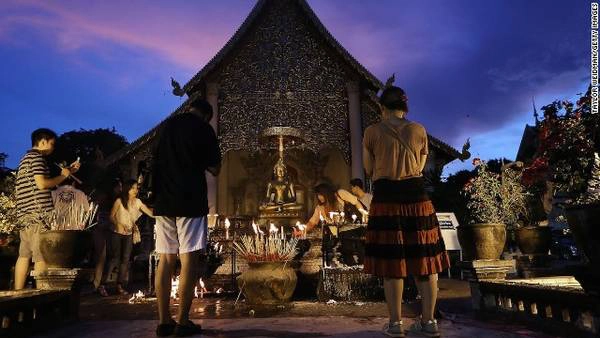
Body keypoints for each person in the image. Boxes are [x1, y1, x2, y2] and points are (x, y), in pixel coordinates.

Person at [363, 86, 449, 338]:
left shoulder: (372, 132)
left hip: (386, 200)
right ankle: (429, 322)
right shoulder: (418, 130)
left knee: (393, 265)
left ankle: (395, 324)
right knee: (425, 263)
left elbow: (369, 169)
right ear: (405, 106)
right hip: (416, 199)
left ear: (382, 107)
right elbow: (421, 166)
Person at [152, 97, 221, 337]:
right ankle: (182, 320)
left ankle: (163, 321)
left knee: (166, 258)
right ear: (206, 115)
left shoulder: (167, 126)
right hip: (190, 200)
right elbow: (215, 168)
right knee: (189, 257)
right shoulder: (204, 129)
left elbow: (153, 161)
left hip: (163, 201)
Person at [14, 128, 80, 289]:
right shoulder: (37, 158)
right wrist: (64, 176)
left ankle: (17, 292)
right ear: (43, 141)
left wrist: (69, 171)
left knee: (24, 255)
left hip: (24, 215)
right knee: (41, 256)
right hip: (39, 215)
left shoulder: (25, 159)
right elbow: (42, 184)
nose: (52, 148)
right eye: (51, 144)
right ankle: (41, 294)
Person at [98, 179, 153, 296]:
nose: (136, 190)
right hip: (116, 233)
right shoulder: (119, 201)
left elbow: (150, 213)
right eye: (133, 188)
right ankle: (102, 285)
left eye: (136, 188)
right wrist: (118, 224)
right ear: (128, 189)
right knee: (114, 259)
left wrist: (162, 211)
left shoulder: (138, 202)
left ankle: (120, 285)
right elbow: (111, 216)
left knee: (126, 260)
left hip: (128, 233)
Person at [93, 178, 121, 296]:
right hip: (101, 229)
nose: (120, 189)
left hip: (111, 229)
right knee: (102, 257)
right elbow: (97, 214)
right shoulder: (104, 198)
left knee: (111, 257)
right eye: (118, 187)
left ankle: (102, 284)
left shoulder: (116, 200)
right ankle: (98, 285)